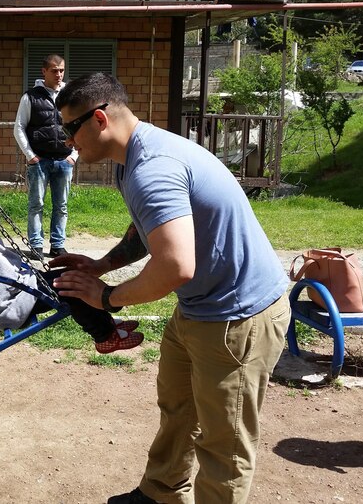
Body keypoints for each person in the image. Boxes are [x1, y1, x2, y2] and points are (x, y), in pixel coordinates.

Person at [50, 73, 290, 504]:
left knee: (225, 442)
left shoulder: (151, 169)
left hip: (239, 316)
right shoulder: (133, 159)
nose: (69, 142)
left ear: (99, 118)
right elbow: (150, 230)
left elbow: (177, 265)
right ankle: (161, 494)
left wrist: (105, 296)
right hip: (201, 307)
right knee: (178, 410)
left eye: (70, 128)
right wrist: (103, 264)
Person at [0, 158, 143, 354]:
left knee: (73, 274)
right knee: (74, 288)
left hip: (22, 289)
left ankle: (108, 321)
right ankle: (105, 336)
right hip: (12, 304)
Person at [13, 54, 76, 260]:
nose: (59, 74)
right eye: (54, 70)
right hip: (39, 161)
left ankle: (58, 246)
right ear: (44, 72)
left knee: (62, 205)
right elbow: (19, 127)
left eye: (62, 70)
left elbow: (79, 127)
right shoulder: (31, 97)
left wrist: (74, 156)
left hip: (64, 161)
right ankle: (36, 246)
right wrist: (30, 155)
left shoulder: (71, 96)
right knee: (36, 204)